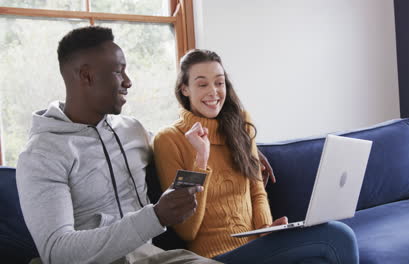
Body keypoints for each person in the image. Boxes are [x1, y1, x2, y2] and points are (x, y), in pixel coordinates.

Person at [16, 26, 221, 264]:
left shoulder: (133, 130)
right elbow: (57, 252)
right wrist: (155, 216)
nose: (128, 81)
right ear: (86, 75)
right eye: (118, 72)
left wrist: (244, 150)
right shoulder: (41, 154)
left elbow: (181, 144)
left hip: (150, 257)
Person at [153, 49, 360, 263]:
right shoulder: (168, 140)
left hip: (257, 249)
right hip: (214, 258)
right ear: (185, 89)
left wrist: (266, 230)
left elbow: (257, 191)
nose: (214, 91)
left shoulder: (240, 123)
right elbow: (187, 231)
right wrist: (201, 159)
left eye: (219, 82)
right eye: (202, 84)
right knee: (337, 236)